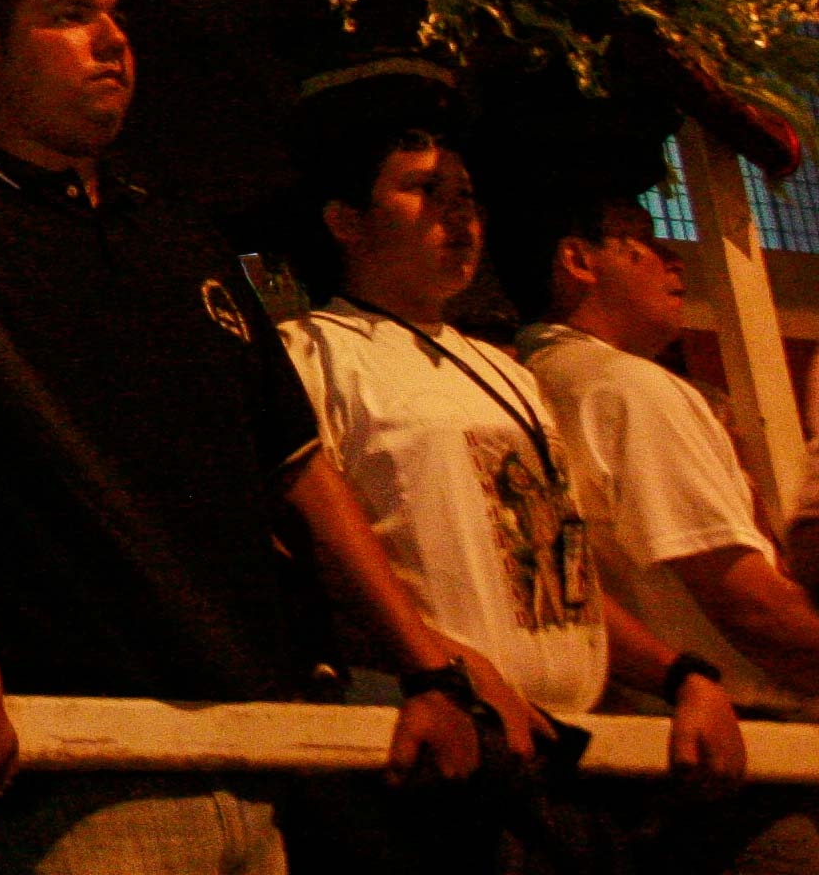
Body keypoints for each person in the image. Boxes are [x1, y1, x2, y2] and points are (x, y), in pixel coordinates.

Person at [0, 0, 532, 875]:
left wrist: (426, 665)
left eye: (117, 17)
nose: (112, 39)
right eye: (70, 17)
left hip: (250, 743)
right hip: (77, 753)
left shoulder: (176, 230)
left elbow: (298, 462)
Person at [279, 65, 742, 869]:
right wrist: (445, 667)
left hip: (568, 762)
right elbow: (311, 555)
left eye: (467, 197)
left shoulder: (508, 373)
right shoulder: (315, 352)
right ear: (346, 220)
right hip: (438, 757)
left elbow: (553, 569)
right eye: (424, 192)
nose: (458, 217)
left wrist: (682, 675)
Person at [507, 172, 819, 869]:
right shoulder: (630, 390)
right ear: (578, 261)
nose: (676, 260)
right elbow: (746, 603)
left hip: (624, 746)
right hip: (725, 756)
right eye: (643, 243)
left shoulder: (520, 379)